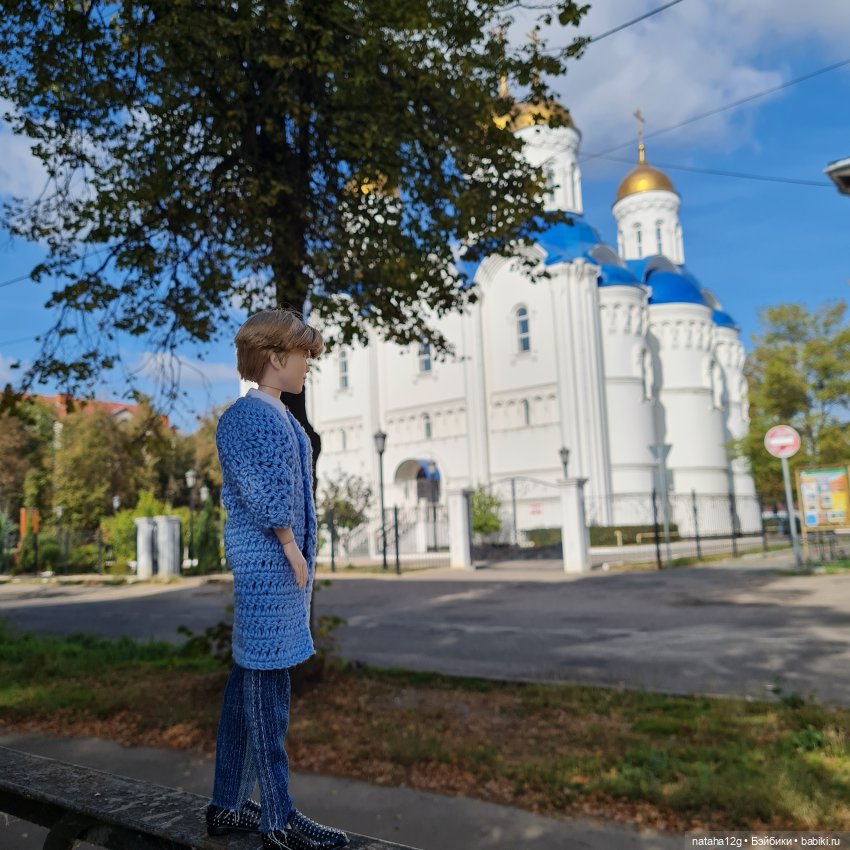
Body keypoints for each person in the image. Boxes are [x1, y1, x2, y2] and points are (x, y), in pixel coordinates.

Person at [206, 308, 349, 850]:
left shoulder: (280, 415)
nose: (307, 366)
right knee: (269, 691)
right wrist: (290, 546)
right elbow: (265, 491)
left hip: (283, 568)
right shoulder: (247, 417)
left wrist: (297, 552)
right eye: (302, 356)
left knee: (249, 683)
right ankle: (278, 819)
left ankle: (226, 805)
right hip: (268, 567)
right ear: (273, 357)